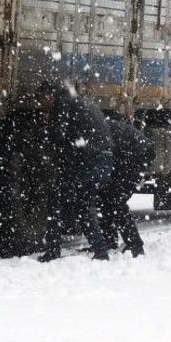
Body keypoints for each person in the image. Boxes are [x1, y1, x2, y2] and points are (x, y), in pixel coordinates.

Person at [36, 80, 115, 262]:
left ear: (50, 96)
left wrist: (44, 130)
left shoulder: (63, 105)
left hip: (89, 161)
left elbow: (60, 135)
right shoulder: (78, 101)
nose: (41, 106)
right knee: (83, 205)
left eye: (41, 100)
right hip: (102, 158)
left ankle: (54, 250)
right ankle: (100, 249)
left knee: (58, 201)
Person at [100, 118, 154, 257]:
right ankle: (109, 241)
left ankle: (135, 246)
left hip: (136, 156)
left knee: (117, 201)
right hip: (132, 154)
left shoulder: (96, 134)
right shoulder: (97, 128)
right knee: (107, 197)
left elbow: (104, 160)